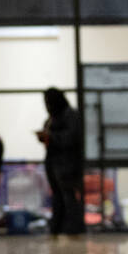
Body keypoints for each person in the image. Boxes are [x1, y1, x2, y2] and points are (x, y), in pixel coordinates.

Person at [38, 88, 85, 236]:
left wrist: (51, 137)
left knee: (68, 196)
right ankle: (57, 227)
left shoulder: (70, 116)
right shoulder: (52, 118)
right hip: (53, 161)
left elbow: (71, 138)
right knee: (57, 196)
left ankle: (73, 228)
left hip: (67, 163)